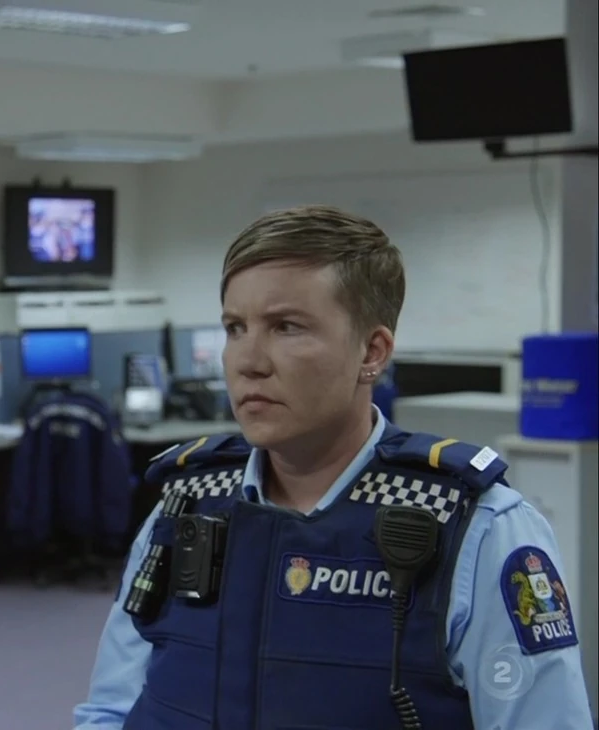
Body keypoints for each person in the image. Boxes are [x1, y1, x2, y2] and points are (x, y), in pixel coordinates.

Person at [74, 205, 593, 729]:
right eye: (235, 328)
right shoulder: (186, 502)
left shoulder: (474, 526)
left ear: (372, 352)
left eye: (286, 327)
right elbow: (110, 711)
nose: (249, 361)